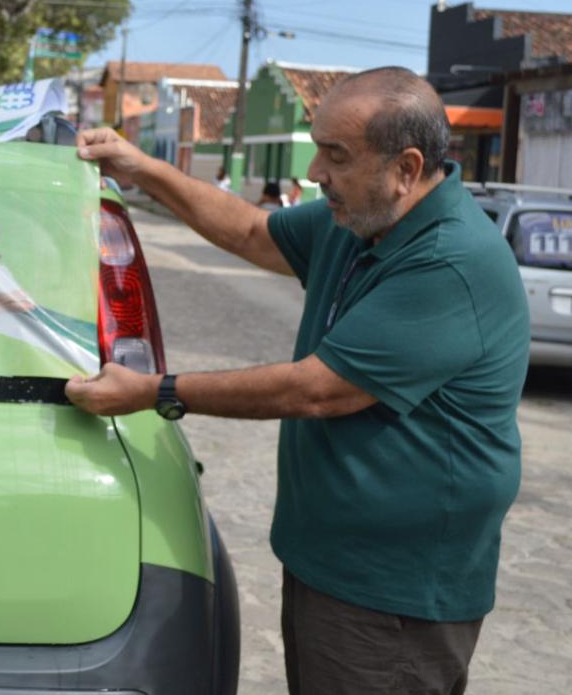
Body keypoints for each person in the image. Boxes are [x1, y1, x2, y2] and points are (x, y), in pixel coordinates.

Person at [66, 66, 528, 695]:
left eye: (336, 155)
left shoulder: (451, 260)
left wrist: (157, 391)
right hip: (332, 566)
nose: (315, 172)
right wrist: (142, 168)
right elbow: (252, 232)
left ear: (406, 168)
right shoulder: (362, 218)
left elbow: (317, 390)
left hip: (394, 593)